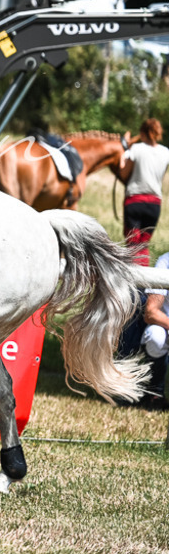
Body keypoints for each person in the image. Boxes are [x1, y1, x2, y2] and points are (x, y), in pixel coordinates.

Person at [119, 118, 167, 266]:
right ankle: (143, 282)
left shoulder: (137, 149)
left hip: (135, 201)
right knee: (143, 244)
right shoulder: (166, 152)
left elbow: (123, 174)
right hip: (154, 205)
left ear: (143, 133)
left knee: (132, 243)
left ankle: (133, 282)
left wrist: (122, 157)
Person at [136, 250, 169, 409]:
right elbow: (150, 312)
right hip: (166, 324)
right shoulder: (166, 261)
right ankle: (155, 392)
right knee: (154, 336)